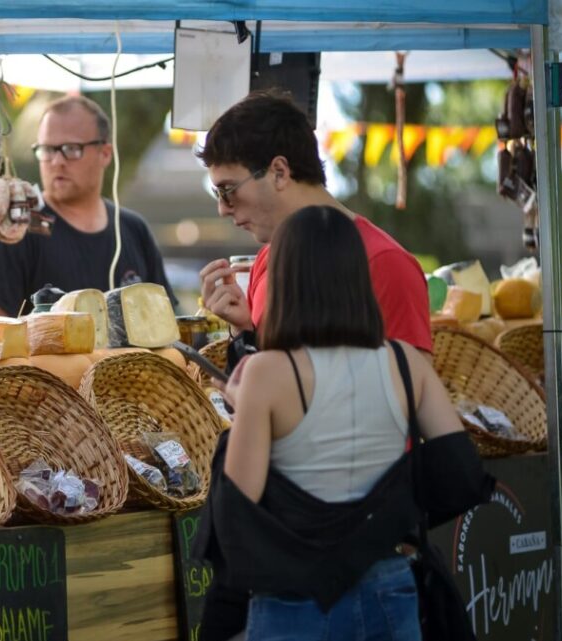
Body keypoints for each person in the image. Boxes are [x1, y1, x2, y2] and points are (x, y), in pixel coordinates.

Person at [202, 206, 491, 641]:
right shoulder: (407, 363)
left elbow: (239, 507)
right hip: (389, 586)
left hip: (294, 596)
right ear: (357, 278)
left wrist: (245, 408)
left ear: (285, 280)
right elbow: (462, 473)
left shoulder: (267, 373)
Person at [197, 92, 431, 373]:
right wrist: (243, 329)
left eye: (228, 190)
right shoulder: (267, 260)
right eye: (217, 194)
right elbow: (265, 392)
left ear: (280, 172)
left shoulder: (384, 263)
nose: (223, 209)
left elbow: (412, 397)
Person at [0, 95, 176, 318]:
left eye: (71, 148)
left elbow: (166, 320)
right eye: (47, 149)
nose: (57, 161)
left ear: (105, 153)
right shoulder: (16, 229)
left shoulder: (133, 229)